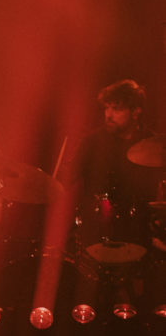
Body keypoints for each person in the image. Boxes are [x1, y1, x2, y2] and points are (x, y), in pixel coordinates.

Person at [61, 79, 161, 261]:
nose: (109, 115)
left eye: (117, 109)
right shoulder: (92, 142)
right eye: (106, 108)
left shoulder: (155, 145)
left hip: (139, 230)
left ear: (136, 111)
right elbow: (65, 181)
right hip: (95, 228)